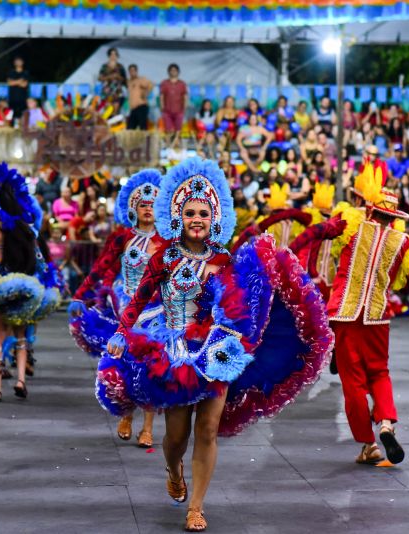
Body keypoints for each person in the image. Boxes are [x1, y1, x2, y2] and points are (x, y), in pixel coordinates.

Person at [99, 157, 332, 531]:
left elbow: (244, 301)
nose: (196, 219)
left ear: (214, 218)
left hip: (216, 352)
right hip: (174, 353)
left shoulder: (225, 260)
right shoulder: (164, 257)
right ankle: (174, 469)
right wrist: (121, 332)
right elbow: (140, 298)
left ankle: (196, 506)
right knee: (176, 436)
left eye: (203, 214)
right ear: (178, 215)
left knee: (207, 429)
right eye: (189, 212)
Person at [328, 162, 409, 465]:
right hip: (377, 317)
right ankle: (385, 422)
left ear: (370, 210)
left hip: (345, 314)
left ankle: (368, 444)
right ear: (394, 217)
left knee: (353, 383)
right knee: (379, 372)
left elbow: (323, 234)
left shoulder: (353, 227)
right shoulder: (402, 242)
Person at [69, 169, 165, 447]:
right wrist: (81, 295)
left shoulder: (169, 242)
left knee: (151, 367)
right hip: (124, 309)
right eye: (143, 205)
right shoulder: (122, 238)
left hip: (157, 312)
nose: (148, 209)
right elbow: (101, 269)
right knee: (124, 362)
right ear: (134, 208)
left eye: (153, 205)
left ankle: (148, 427)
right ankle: (126, 413)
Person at [0, 164, 62, 401]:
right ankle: (20, 380)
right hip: (23, 290)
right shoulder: (27, 231)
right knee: (21, 336)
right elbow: (41, 264)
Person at [160, 63, 188, 143]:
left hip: (179, 111)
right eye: (171, 70)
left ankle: (177, 149)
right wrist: (162, 107)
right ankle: (168, 148)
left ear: (178, 72)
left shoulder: (182, 84)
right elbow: (162, 96)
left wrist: (184, 108)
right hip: (167, 111)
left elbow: (185, 96)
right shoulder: (164, 83)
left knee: (178, 131)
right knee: (169, 131)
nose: (173, 72)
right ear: (169, 72)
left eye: (175, 70)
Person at [127, 64, 154, 130]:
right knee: (130, 128)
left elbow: (150, 85)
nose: (132, 72)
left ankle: (145, 140)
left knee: (143, 127)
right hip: (133, 108)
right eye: (130, 71)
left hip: (141, 106)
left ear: (136, 71)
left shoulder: (141, 79)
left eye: (133, 70)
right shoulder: (129, 82)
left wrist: (146, 93)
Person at [7, 56, 30, 121]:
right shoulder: (11, 72)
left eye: (20, 61)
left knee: (23, 115)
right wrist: (20, 81)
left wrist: (14, 82)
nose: (18, 63)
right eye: (17, 61)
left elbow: (24, 85)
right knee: (12, 116)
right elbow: (9, 83)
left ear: (22, 63)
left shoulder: (25, 73)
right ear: (14, 63)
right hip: (12, 98)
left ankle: (22, 128)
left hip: (22, 98)